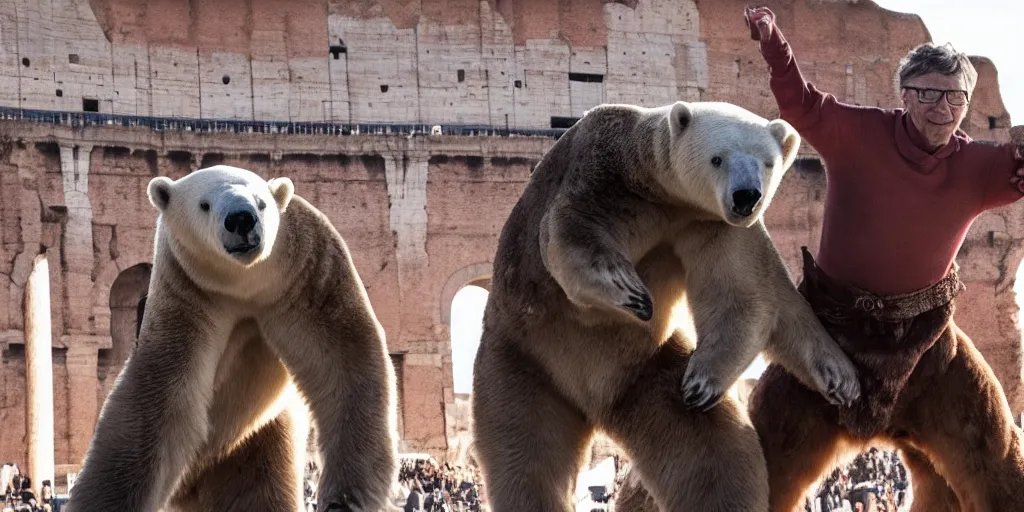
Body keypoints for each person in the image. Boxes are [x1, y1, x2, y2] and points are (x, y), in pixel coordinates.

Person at [742, 5, 1024, 511]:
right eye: (929, 93)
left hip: (928, 345)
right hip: (827, 339)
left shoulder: (979, 166)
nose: (943, 106)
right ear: (905, 95)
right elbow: (800, 104)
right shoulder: (860, 133)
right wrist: (772, 44)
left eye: (956, 95)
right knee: (759, 471)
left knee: (998, 463)